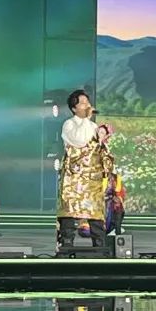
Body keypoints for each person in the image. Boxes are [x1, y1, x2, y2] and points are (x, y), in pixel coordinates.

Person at [57, 89, 110, 248]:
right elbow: (79, 141)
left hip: (92, 177)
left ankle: (99, 247)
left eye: (88, 102)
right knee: (70, 211)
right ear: (74, 108)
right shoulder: (69, 124)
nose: (87, 105)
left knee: (95, 213)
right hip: (74, 178)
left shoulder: (94, 126)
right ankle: (67, 246)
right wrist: (86, 119)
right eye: (83, 103)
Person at [79, 124, 126, 237]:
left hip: (106, 184)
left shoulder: (106, 148)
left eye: (102, 133)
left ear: (106, 136)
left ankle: (113, 227)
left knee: (116, 203)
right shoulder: (91, 145)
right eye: (99, 132)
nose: (100, 134)